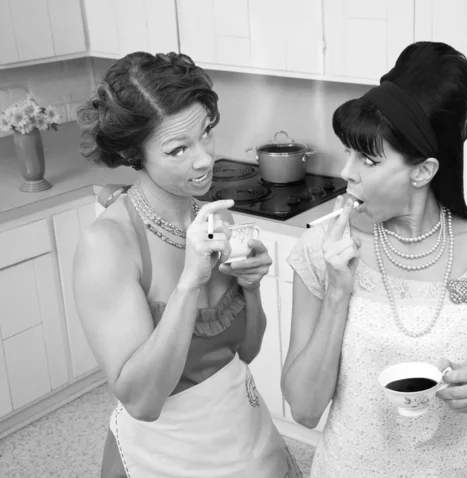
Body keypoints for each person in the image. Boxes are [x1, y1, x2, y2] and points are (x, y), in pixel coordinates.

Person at [281, 41, 467, 477]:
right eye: (349, 152)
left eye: (368, 159)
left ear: (423, 171)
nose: (347, 172)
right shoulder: (324, 249)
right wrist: (338, 292)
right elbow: (303, 410)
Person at [74, 51, 301, 478]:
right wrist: (189, 283)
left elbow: (246, 352)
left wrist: (251, 288)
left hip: (243, 435)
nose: (203, 159)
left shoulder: (216, 218)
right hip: (163, 456)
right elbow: (142, 401)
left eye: (207, 133)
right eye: (178, 149)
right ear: (133, 153)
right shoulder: (108, 244)